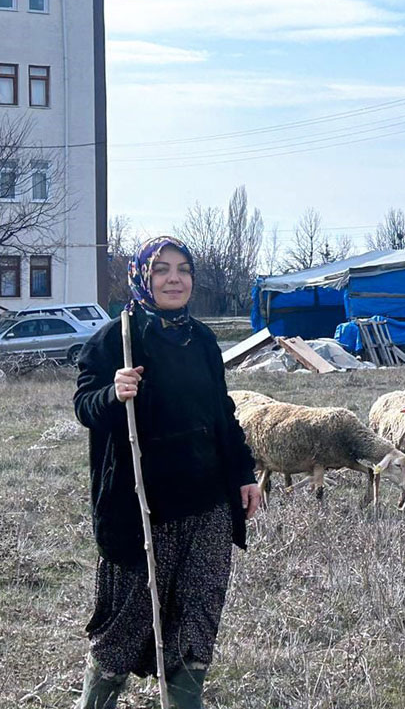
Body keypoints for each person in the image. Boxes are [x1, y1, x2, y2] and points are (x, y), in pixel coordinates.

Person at [72, 236, 261, 709]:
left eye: (183, 269)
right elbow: (84, 407)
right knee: (126, 622)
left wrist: (243, 473)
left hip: (208, 505)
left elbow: (221, 412)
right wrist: (114, 393)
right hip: (141, 509)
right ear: (142, 277)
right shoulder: (115, 339)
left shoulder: (201, 340)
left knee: (198, 617)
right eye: (161, 270)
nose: (174, 279)